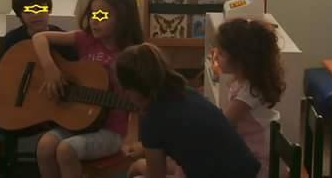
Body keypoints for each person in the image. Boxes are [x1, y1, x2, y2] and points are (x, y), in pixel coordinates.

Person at [0, 0, 77, 178]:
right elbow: (0, 72)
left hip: (51, 103)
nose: (36, 14)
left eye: (40, 8)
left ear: (49, 9)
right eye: (28, 10)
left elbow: (75, 73)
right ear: (19, 14)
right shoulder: (12, 39)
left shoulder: (61, 37)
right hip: (13, 98)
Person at [32, 0, 144, 178]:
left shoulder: (132, 55)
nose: (94, 20)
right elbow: (39, 37)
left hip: (113, 132)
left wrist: (132, 137)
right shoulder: (85, 40)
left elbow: (137, 103)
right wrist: (50, 68)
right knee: (44, 146)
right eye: (92, 14)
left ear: (123, 19)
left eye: (102, 15)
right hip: (80, 122)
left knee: (66, 149)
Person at [117, 43, 260, 178]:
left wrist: (138, 166)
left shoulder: (152, 120)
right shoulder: (185, 92)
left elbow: (156, 176)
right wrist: (146, 149)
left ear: (133, 90)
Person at [214, 18, 285, 178]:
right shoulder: (244, 83)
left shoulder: (249, 92)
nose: (216, 57)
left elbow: (223, 125)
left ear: (240, 59)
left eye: (221, 54)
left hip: (259, 165)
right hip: (251, 154)